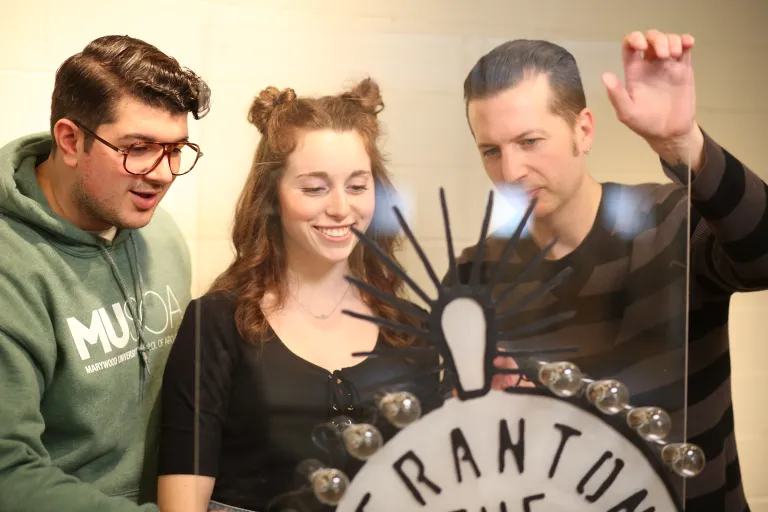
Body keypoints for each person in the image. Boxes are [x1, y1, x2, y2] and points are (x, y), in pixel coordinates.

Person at [456, 30, 763, 511]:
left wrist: (686, 144)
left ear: (584, 130)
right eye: (490, 150)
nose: (511, 171)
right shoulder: (475, 271)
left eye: (530, 141)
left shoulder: (672, 223)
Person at [156, 78, 445, 512]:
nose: (340, 208)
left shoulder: (414, 331)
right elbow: (182, 503)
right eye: (315, 188)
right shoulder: (216, 325)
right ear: (272, 195)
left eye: (357, 185)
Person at [0, 35, 210, 511]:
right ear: (70, 141)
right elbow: (7, 472)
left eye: (176, 149)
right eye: (139, 148)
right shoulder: (10, 270)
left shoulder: (162, 235)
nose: (162, 174)